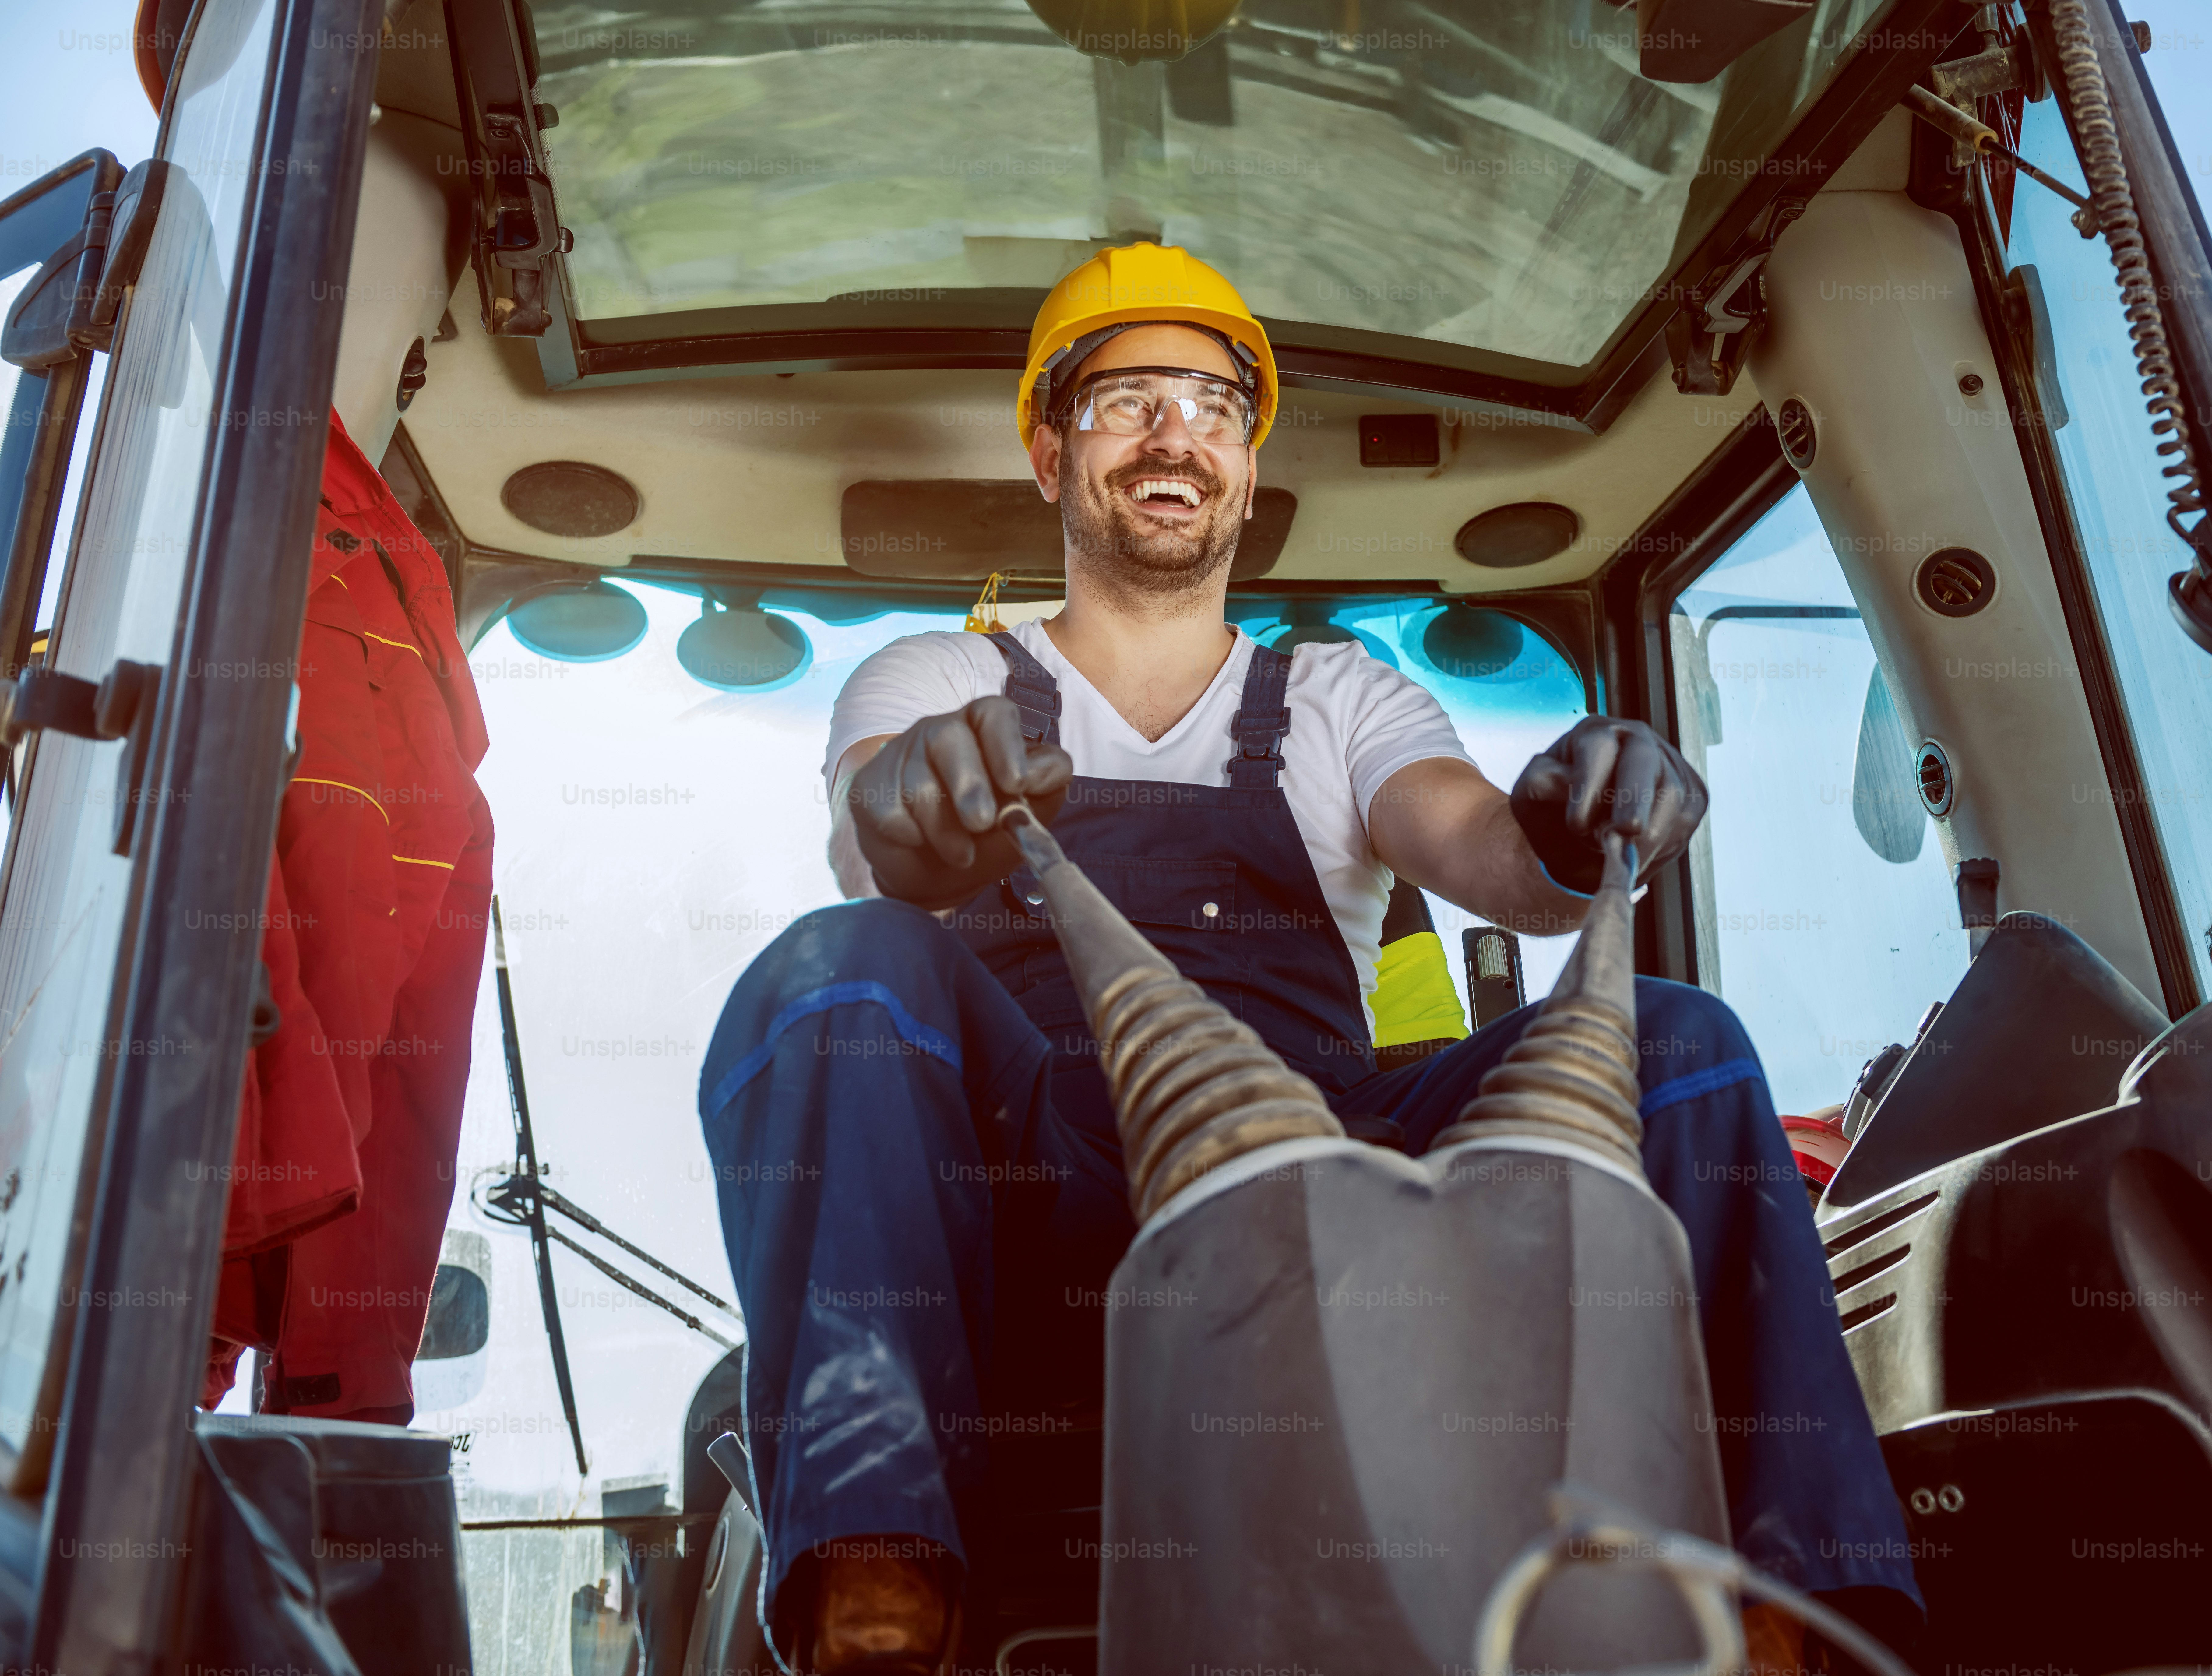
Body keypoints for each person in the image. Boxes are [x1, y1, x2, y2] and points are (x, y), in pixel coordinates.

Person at [698, 243, 1918, 1673]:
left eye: (1213, 405)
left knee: (1683, 1040)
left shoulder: (1339, 698)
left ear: (1249, 461)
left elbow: (1490, 857)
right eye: (1126, 401)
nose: (1176, 436)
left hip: (1340, 1166)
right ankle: (876, 1579)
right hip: (1043, 1178)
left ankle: (1788, 1614)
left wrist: (1567, 824)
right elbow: (871, 842)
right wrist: (914, 823)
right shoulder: (940, 678)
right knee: (837, 970)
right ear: (1049, 448)